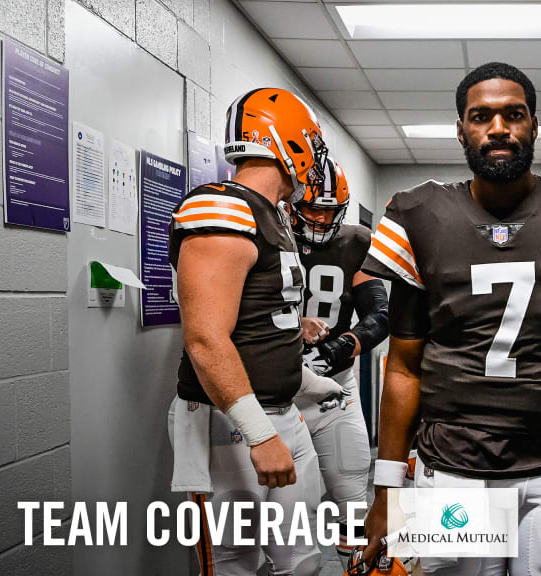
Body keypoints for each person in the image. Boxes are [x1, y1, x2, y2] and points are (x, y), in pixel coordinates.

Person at [360, 61, 541, 576]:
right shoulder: (417, 214)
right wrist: (388, 490)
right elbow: (404, 367)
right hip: (452, 467)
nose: (498, 129)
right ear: (461, 129)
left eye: (513, 115)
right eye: (481, 117)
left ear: (534, 124)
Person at [167, 87, 338, 576]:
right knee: (233, 564)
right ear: (293, 145)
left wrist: (304, 379)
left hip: (282, 412)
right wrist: (260, 434)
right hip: (232, 422)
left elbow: (259, 322)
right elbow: (205, 339)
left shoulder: (272, 215)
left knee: (302, 559)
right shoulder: (221, 207)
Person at [287, 157, 389, 569]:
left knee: (352, 500)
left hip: (334, 389)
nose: (319, 218)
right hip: (278, 392)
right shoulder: (266, 233)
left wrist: (342, 346)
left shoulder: (355, 242)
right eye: (311, 207)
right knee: (284, 514)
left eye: (329, 210)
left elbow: (379, 315)